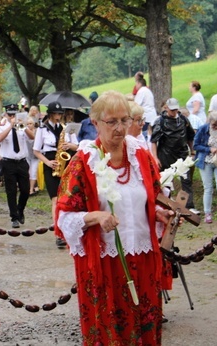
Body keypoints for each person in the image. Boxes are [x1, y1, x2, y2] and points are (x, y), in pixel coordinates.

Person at [56, 90, 174, 345]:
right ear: (95, 122)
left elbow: (151, 198)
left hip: (143, 257)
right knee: (111, 324)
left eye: (125, 120)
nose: (120, 128)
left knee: (144, 320)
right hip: (105, 262)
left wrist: (160, 214)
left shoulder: (140, 156)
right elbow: (64, 218)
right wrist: (95, 216)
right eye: (112, 122)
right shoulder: (83, 162)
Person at [151, 98, 199, 214]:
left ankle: (189, 205)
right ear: (166, 108)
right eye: (172, 110)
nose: (174, 112)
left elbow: (190, 137)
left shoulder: (183, 120)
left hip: (182, 154)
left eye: (176, 110)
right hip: (166, 155)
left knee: (186, 180)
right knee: (166, 181)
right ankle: (166, 206)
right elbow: (154, 141)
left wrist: (192, 151)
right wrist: (155, 158)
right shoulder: (160, 121)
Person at [33, 101, 66, 246]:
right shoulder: (42, 129)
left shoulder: (64, 129)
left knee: (64, 199)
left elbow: (75, 146)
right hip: (49, 163)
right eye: (56, 113)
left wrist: (69, 145)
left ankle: (66, 230)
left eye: (60, 113)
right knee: (55, 199)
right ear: (51, 114)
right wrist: (47, 162)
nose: (58, 116)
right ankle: (58, 233)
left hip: (63, 163)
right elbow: (36, 150)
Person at [0, 104, 33, 228]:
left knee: (25, 190)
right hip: (8, 162)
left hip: (22, 161)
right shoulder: (1, 128)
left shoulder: (22, 127)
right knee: (11, 191)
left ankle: (20, 209)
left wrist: (23, 127)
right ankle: (14, 217)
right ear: (6, 115)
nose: (12, 116)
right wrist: (10, 126)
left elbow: (32, 137)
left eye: (14, 115)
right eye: (10, 114)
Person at [193, 111, 217, 223]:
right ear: (209, 122)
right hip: (206, 161)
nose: (216, 127)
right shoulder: (203, 129)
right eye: (214, 125)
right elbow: (196, 145)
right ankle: (207, 213)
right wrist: (209, 149)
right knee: (208, 188)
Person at [133, 72, 157, 139]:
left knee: (145, 134)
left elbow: (136, 104)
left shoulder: (141, 91)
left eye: (136, 84)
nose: (135, 86)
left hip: (146, 116)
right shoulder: (148, 90)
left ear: (139, 83)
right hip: (152, 115)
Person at [25, 116, 39, 195]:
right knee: (27, 172)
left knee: (33, 172)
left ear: (33, 124)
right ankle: (28, 188)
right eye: (27, 124)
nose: (29, 125)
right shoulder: (24, 132)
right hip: (27, 155)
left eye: (30, 123)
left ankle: (31, 189)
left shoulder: (37, 131)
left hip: (35, 156)